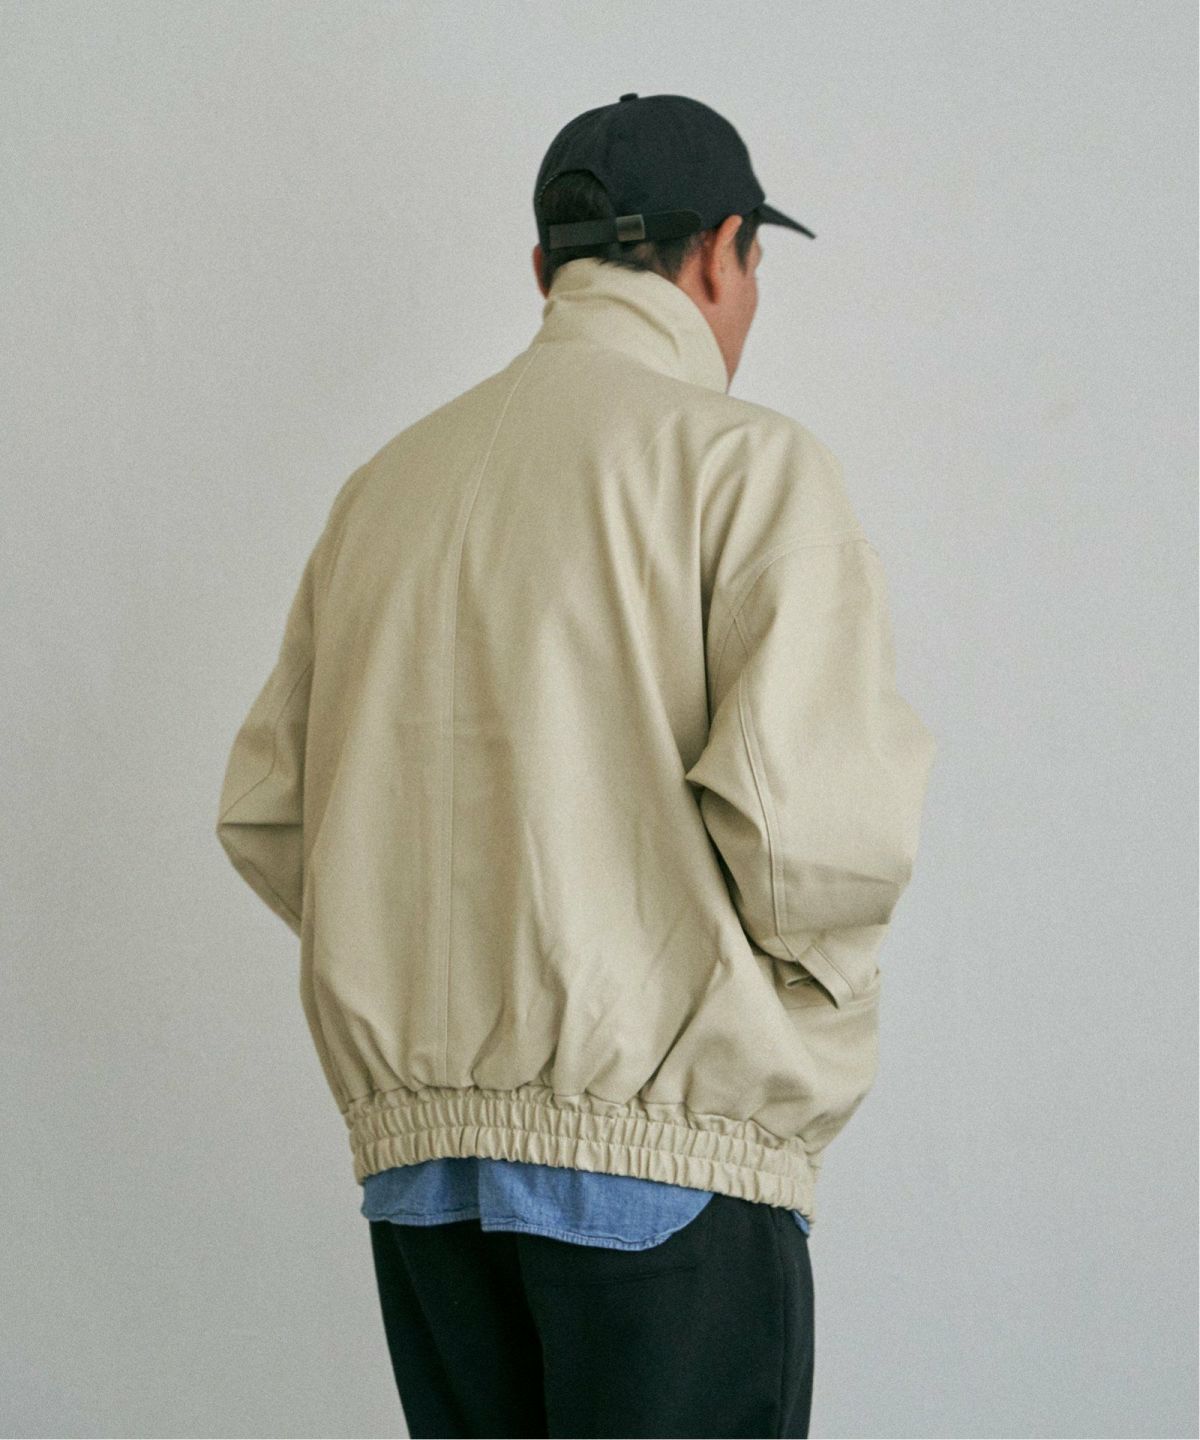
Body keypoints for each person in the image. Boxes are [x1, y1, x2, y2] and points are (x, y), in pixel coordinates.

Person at [215, 92, 938, 1439]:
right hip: (671, 1161)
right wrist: (786, 1010)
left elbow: (271, 813)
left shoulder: (385, 491)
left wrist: (429, 980)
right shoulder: (745, 468)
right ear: (722, 252)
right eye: (754, 266)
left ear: (545, 270)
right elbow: (814, 848)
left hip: (427, 1180)